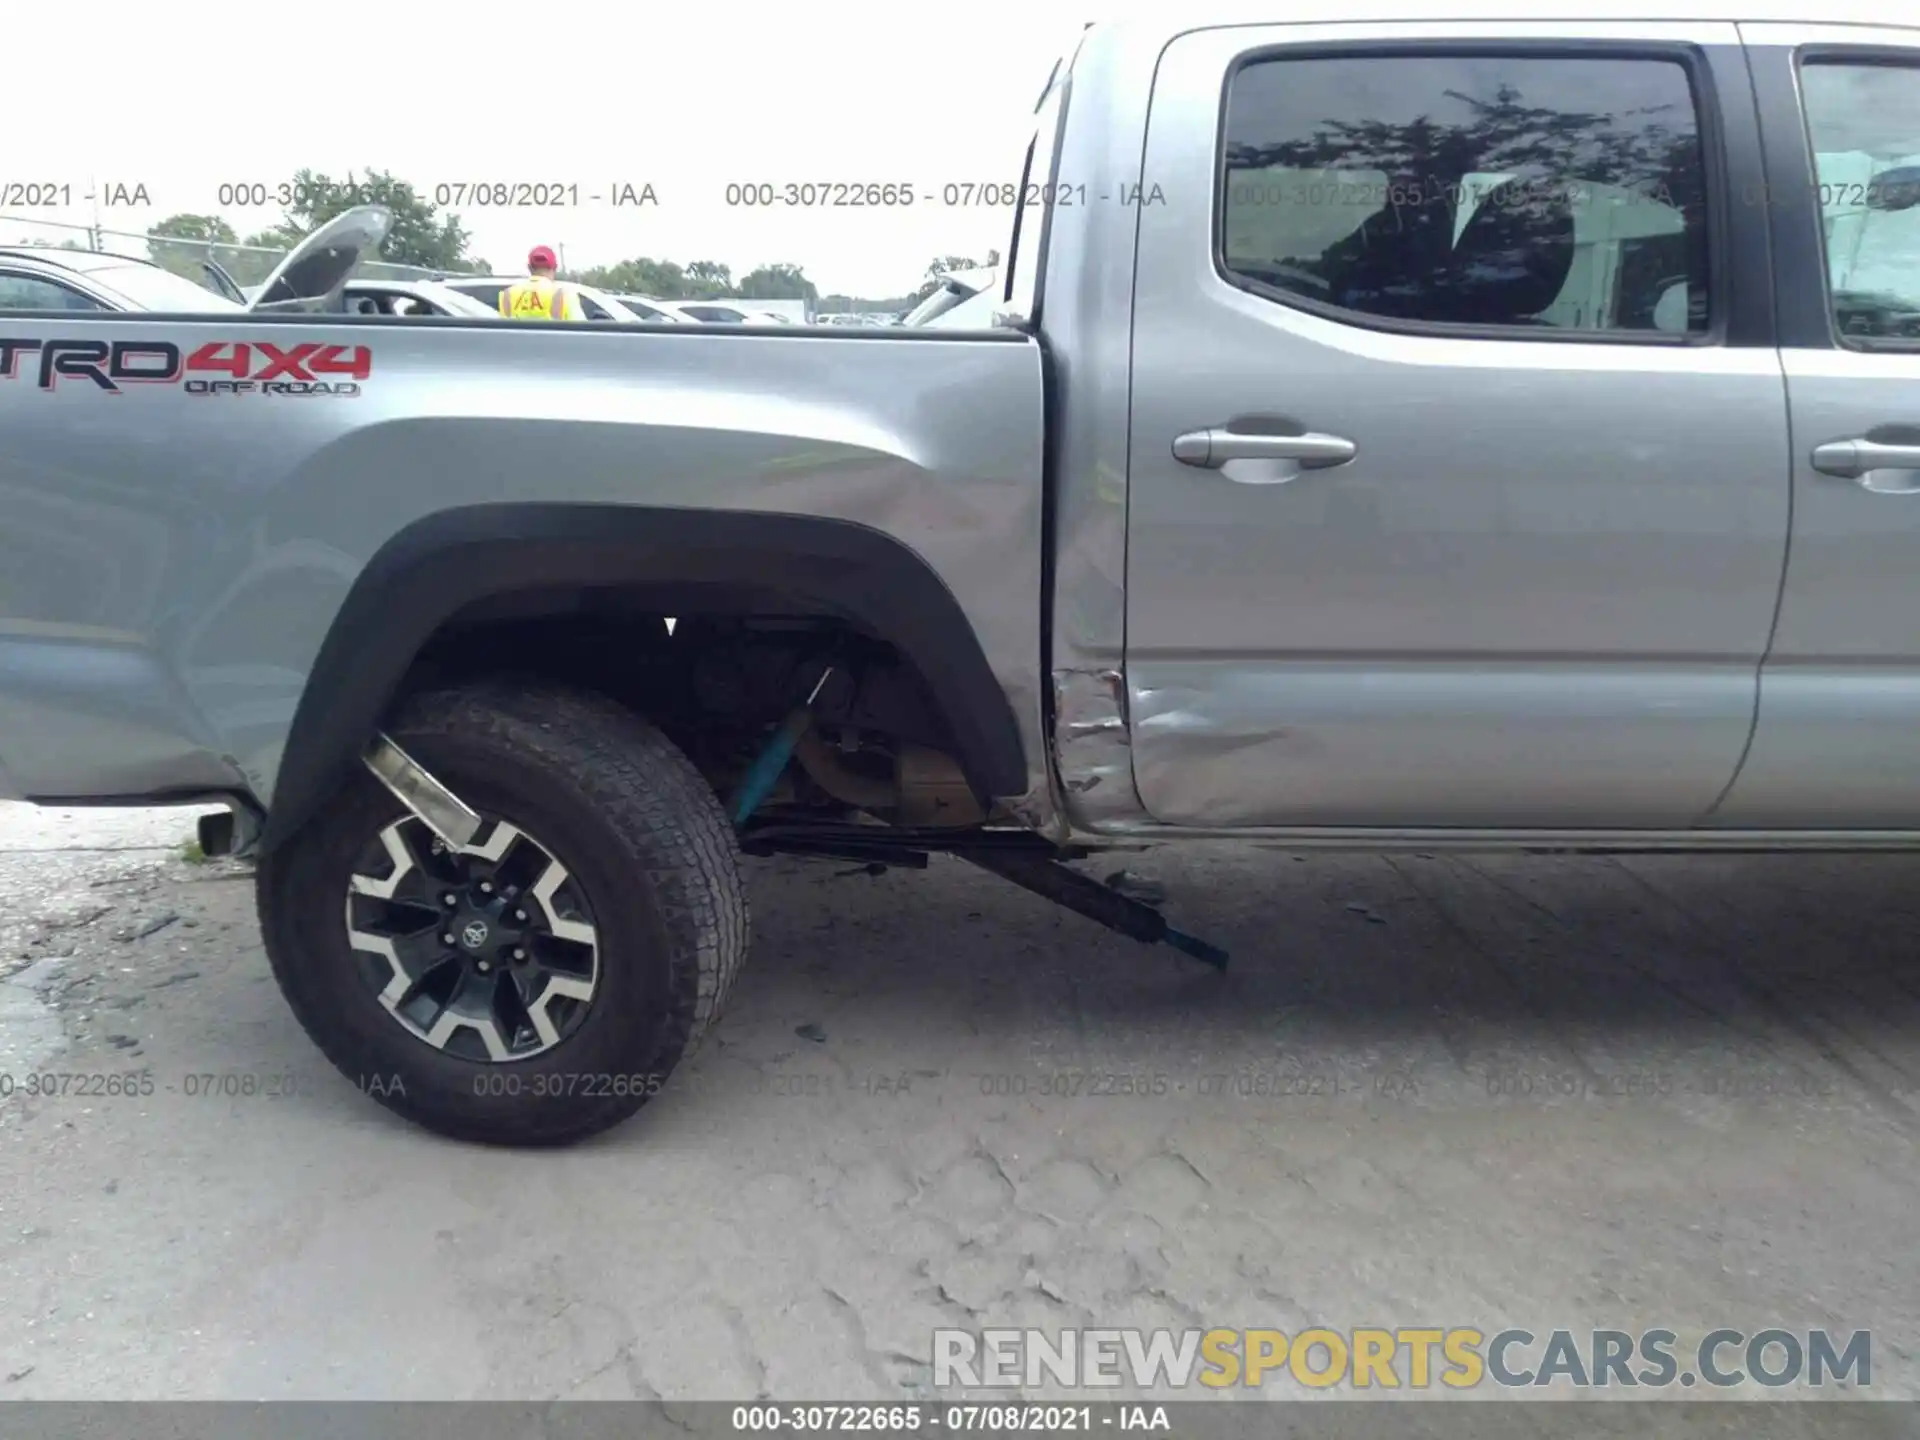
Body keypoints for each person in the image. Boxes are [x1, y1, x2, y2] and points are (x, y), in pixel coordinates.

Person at [499, 245, 586, 321]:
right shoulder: (565, 294)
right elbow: (582, 332)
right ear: (555, 267)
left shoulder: (507, 294)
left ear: (529, 267)